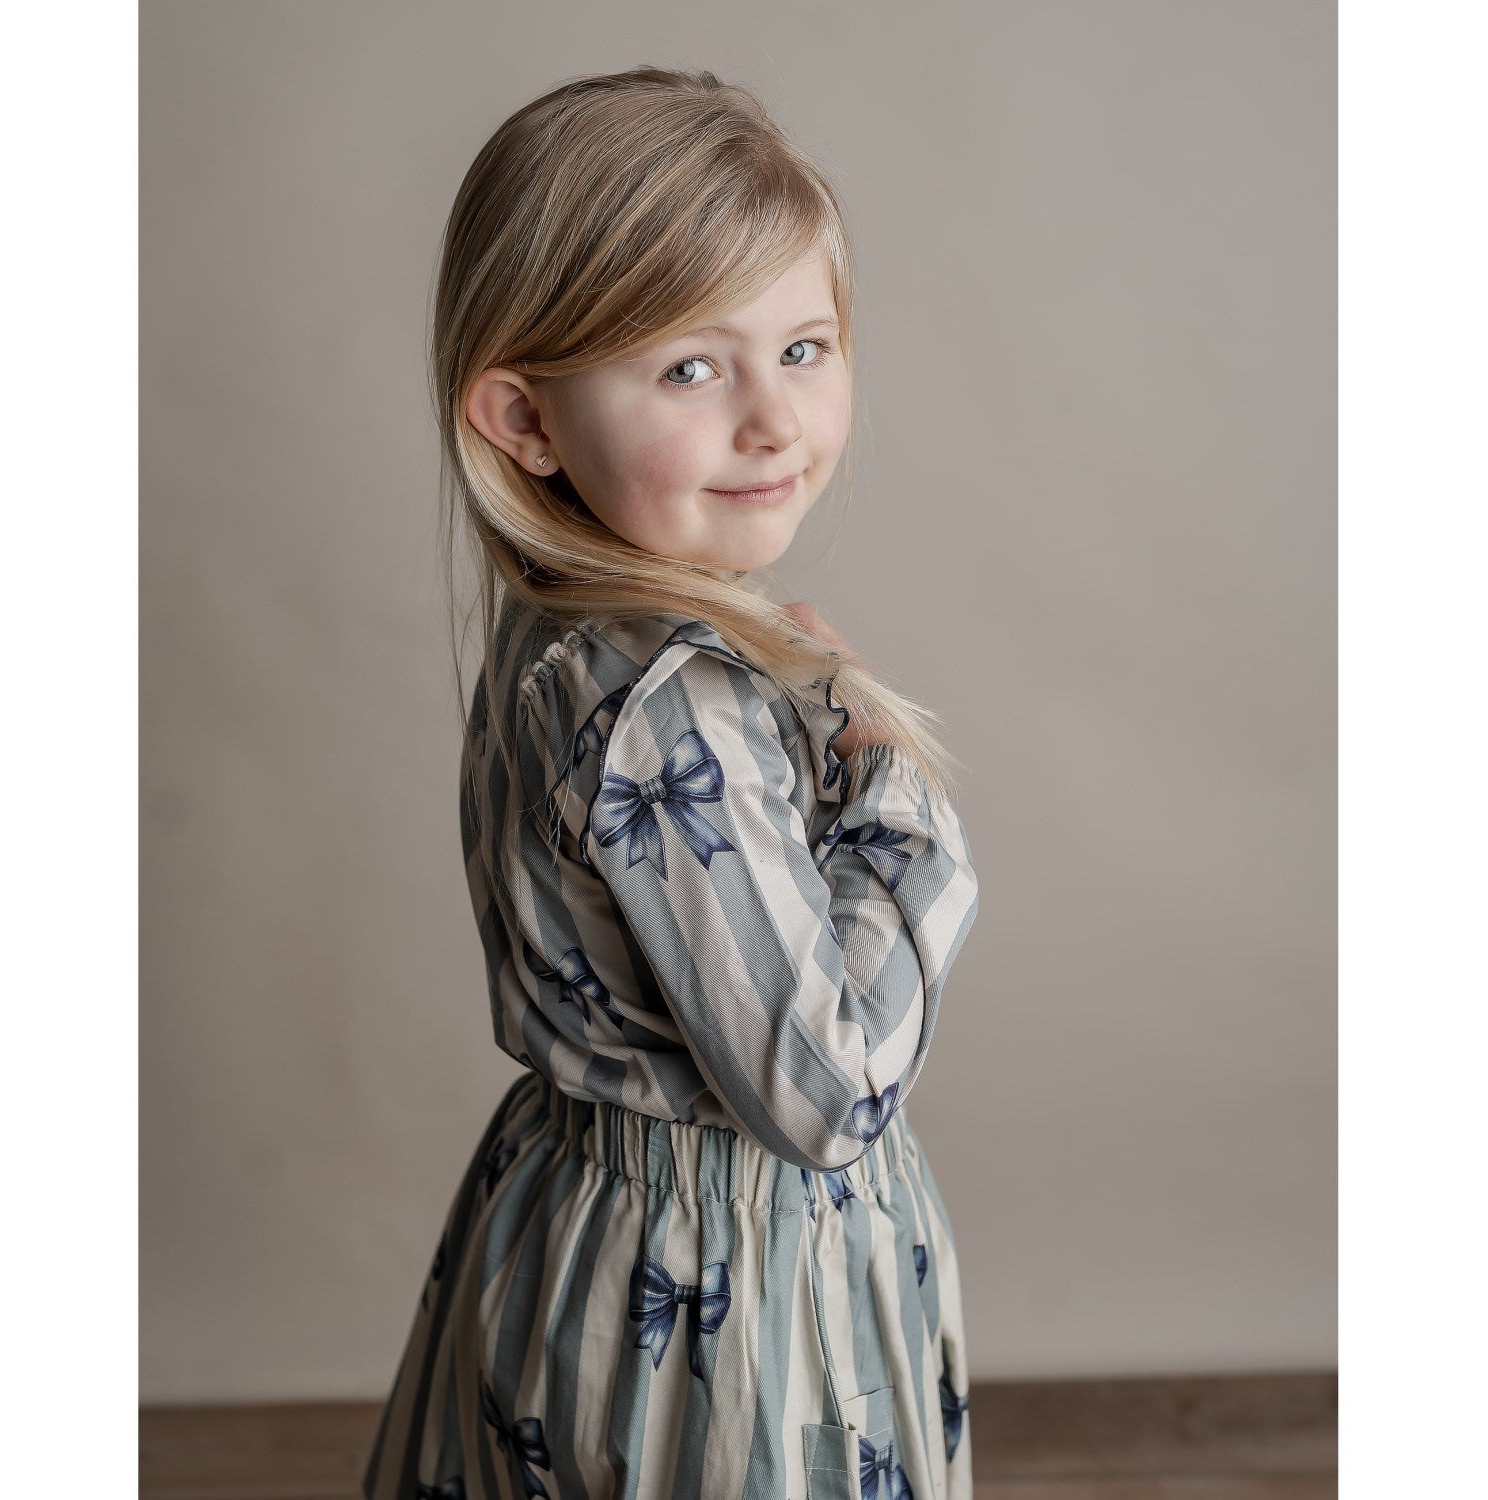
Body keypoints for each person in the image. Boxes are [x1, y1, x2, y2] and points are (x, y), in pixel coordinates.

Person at [363, 65, 980, 1500]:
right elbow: (828, 1096)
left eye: (804, 348)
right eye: (692, 368)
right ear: (525, 419)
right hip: (726, 1279)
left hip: (576, 1212)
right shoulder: (671, 703)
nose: (775, 421)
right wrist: (896, 792)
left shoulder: (567, 632)